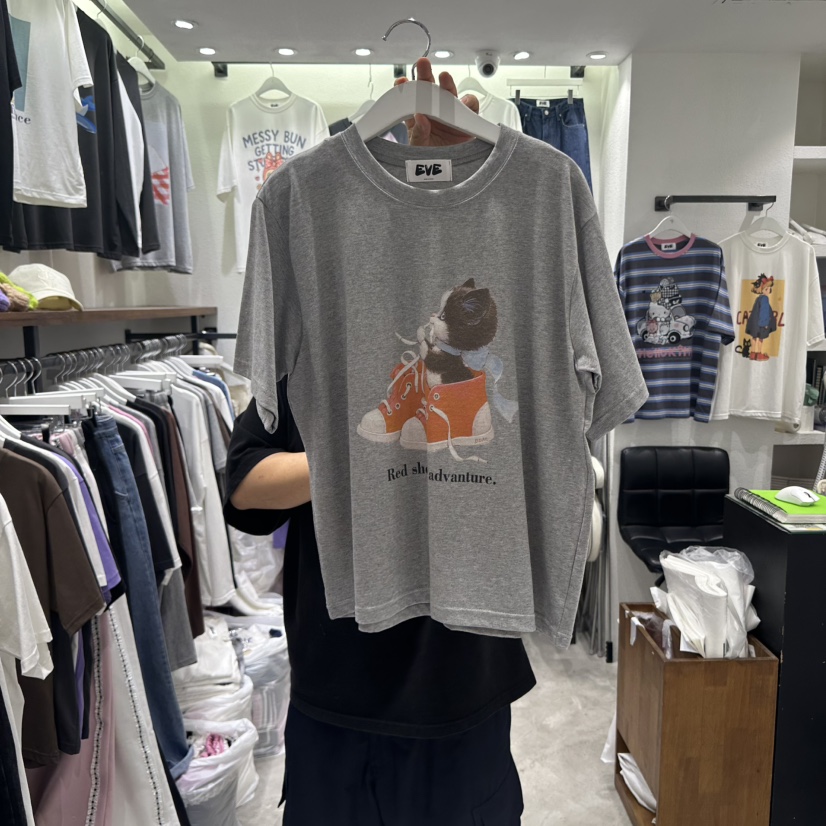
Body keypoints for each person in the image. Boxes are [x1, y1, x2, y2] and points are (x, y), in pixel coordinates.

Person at [225, 58, 536, 826]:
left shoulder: (501, 303)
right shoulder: (316, 320)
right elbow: (245, 487)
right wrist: (368, 458)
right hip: (343, 681)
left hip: (466, 670)